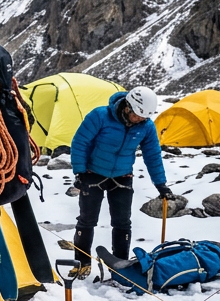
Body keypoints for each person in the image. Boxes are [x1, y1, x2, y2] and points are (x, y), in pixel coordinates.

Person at [68, 86, 170, 277]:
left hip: (122, 176)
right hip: (93, 173)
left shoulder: (146, 126)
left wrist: (160, 184)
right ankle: (81, 264)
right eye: (137, 115)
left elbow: (153, 155)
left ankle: (121, 267)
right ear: (127, 107)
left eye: (144, 117)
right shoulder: (99, 116)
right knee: (87, 220)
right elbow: (80, 142)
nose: (140, 120)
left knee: (122, 222)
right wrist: (80, 173)